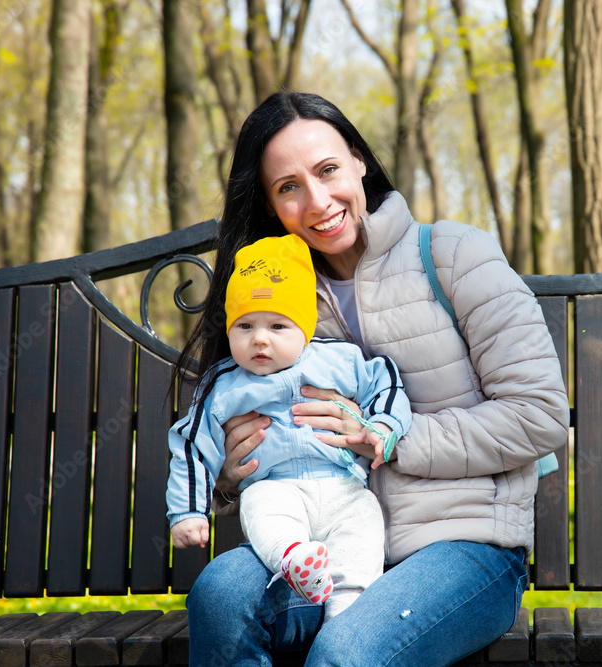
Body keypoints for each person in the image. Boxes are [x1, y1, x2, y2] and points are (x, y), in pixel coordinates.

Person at [179, 91, 570, 667]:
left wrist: (387, 439)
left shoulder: (455, 256)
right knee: (219, 595)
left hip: (464, 548)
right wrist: (232, 476)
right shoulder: (270, 307)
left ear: (359, 160)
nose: (317, 200)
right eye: (288, 187)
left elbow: (539, 416)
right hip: (323, 539)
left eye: (328, 169)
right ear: (269, 204)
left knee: (345, 654)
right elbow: (225, 434)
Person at [167, 233, 411, 621]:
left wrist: (383, 425)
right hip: (274, 487)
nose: (259, 339)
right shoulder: (224, 384)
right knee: (262, 511)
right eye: (245, 326)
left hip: (342, 484)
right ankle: (294, 560)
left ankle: (347, 605)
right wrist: (188, 511)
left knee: (363, 525)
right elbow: (192, 445)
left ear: (305, 328)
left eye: (278, 326)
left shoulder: (336, 360)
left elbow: (387, 381)